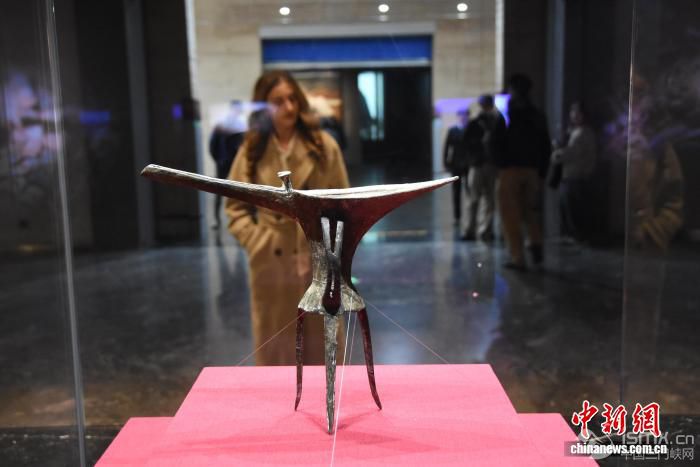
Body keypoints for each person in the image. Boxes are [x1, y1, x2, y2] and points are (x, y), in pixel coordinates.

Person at [225, 70, 350, 366]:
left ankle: (326, 397)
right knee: (276, 352)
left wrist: (330, 246)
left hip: (318, 259)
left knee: (323, 350)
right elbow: (235, 207)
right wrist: (258, 242)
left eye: (293, 99)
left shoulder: (323, 147)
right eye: (278, 101)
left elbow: (344, 204)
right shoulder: (252, 151)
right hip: (271, 264)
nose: (289, 107)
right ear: (264, 106)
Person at [497, 74, 551, 270]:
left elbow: (496, 141)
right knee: (531, 212)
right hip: (532, 170)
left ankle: (517, 257)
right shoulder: (537, 115)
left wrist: (500, 163)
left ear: (513, 91)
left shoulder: (507, 115)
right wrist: (542, 171)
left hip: (510, 170)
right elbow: (545, 145)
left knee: (510, 215)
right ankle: (535, 244)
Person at [550, 101, 597, 244]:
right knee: (569, 207)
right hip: (573, 175)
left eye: (577, 112)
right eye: (572, 111)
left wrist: (555, 152)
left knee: (573, 208)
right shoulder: (577, 131)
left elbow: (569, 154)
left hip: (575, 176)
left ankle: (577, 236)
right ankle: (574, 235)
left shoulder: (582, 133)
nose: (574, 115)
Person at [462, 95, 506, 241]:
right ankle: (476, 229)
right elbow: (466, 143)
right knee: (480, 199)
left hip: (487, 164)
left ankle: (481, 229)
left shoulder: (497, 121)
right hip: (481, 163)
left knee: (486, 199)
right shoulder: (480, 122)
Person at [209, 100, 246, 229]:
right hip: (223, 163)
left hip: (235, 164)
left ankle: (240, 219)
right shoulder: (221, 125)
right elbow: (212, 145)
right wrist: (219, 159)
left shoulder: (240, 126)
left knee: (240, 192)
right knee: (219, 190)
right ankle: (216, 220)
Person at [443, 109, 469, 224]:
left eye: (465, 116)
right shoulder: (453, 130)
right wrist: (446, 162)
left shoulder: (469, 129)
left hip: (468, 164)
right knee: (456, 192)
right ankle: (457, 216)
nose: (463, 118)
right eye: (461, 115)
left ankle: (470, 215)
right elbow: (447, 147)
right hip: (456, 164)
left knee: (470, 190)